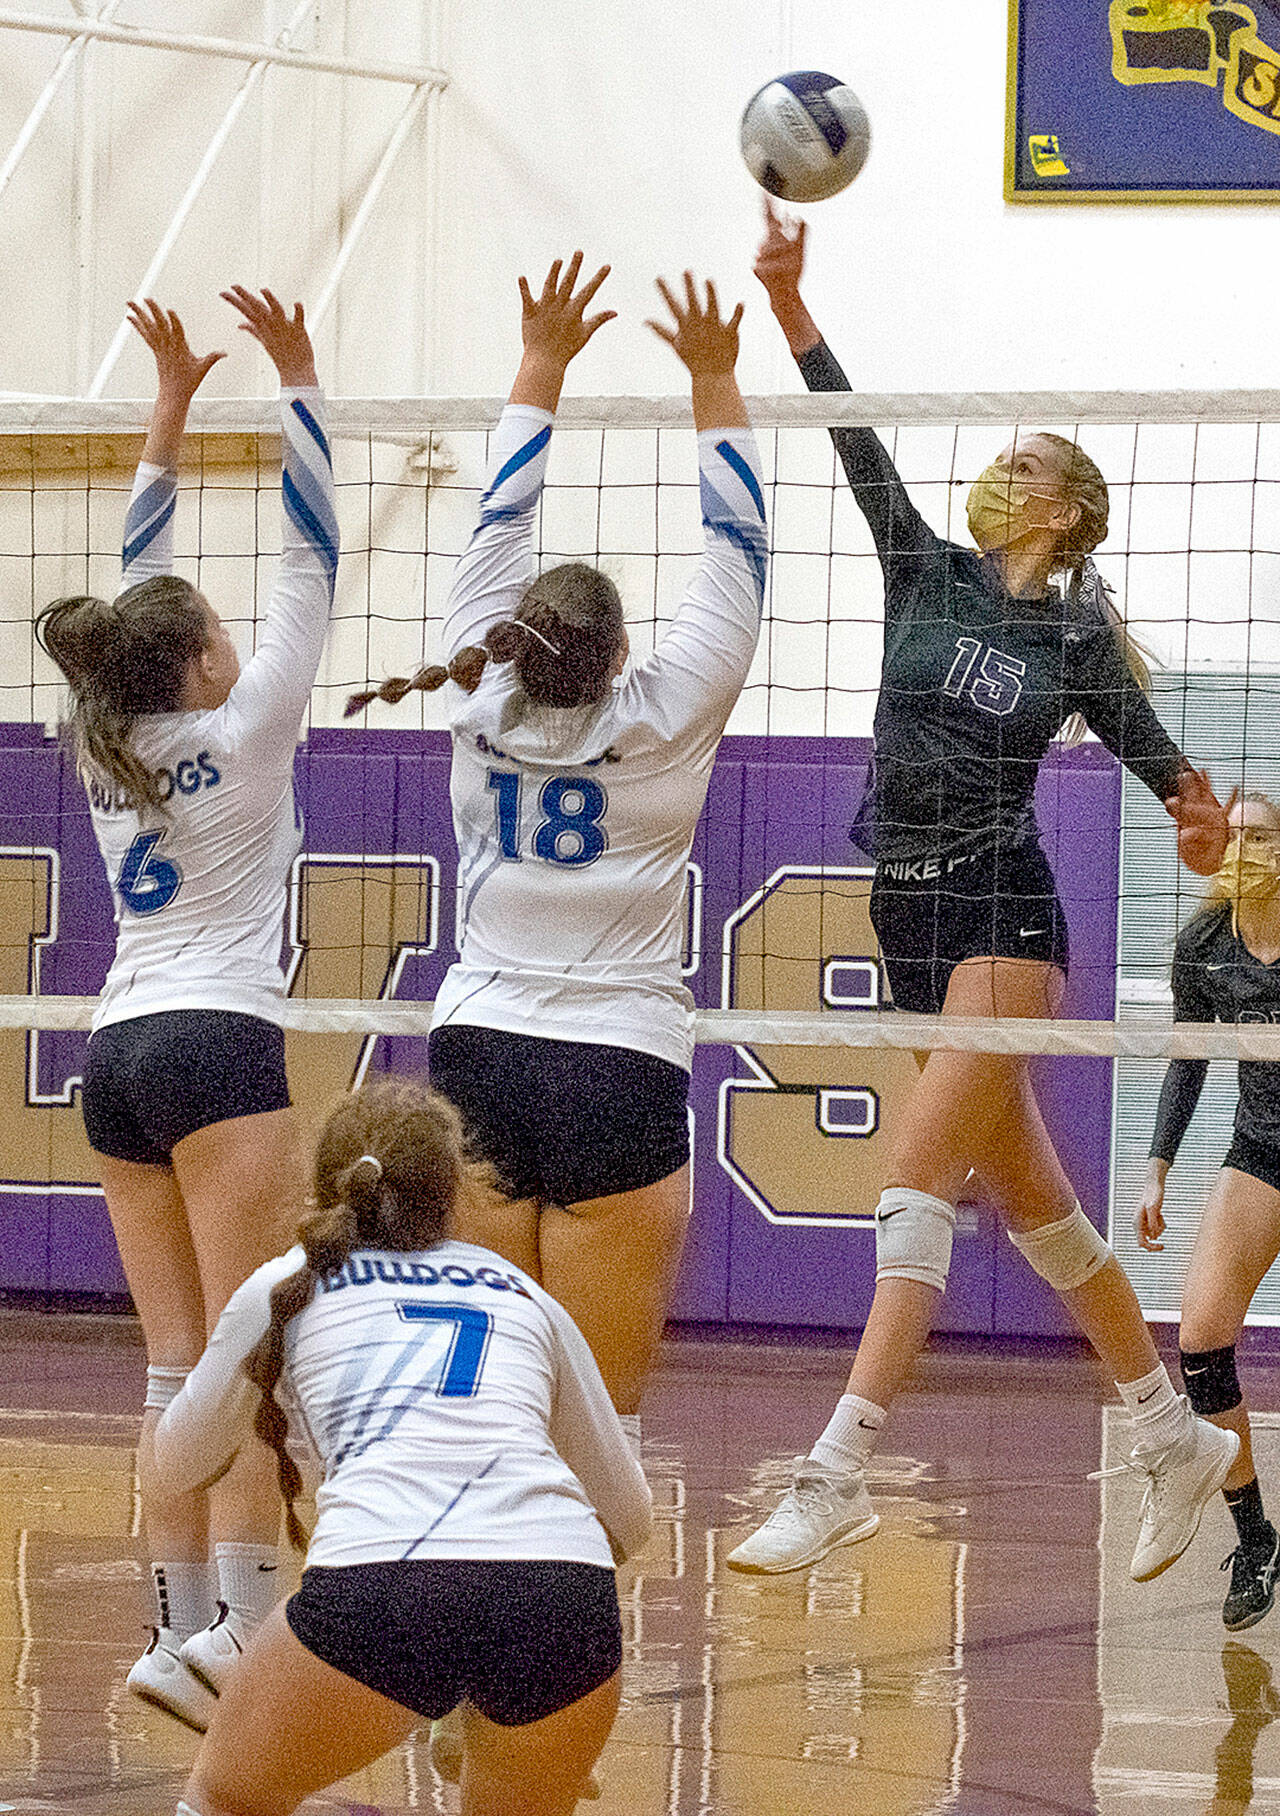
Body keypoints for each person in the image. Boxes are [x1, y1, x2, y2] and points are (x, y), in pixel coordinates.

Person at [727, 200, 1236, 1581]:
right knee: (1042, 1214)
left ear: (1061, 511)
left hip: (1004, 910)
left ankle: (836, 1472)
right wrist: (790, 305)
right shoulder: (924, 570)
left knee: (914, 1180)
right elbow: (853, 435)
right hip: (900, 908)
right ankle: (1170, 1431)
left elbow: (1175, 788)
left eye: (1021, 465)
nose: (993, 474)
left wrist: (1204, 834)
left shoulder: (1073, 646)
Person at [346, 254, 768, 1451]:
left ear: (508, 640)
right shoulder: (669, 710)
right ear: (622, 652)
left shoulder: (470, 697)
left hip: (479, 1050)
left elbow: (497, 515)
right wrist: (713, 378)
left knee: (488, 1409)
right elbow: (739, 545)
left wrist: (539, 362)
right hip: (616, 1066)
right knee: (599, 1424)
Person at [34, 290, 338, 1726]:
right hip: (217, 1046)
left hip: (116, 1054)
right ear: (207, 662)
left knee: (173, 1361)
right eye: (216, 628)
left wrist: (165, 416)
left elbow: (135, 590)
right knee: (246, 1354)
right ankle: (246, 1638)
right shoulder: (247, 724)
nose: (231, 629)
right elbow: (312, 554)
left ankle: (174, 1635)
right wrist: (301, 381)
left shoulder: (108, 739)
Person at [152, 1077, 651, 1816]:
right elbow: (630, 1518)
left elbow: (177, 1464)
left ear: (326, 1185)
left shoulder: (286, 1283)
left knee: (223, 1801)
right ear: (456, 1191)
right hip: (562, 1602)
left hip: (380, 1586)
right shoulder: (522, 1292)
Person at [1137, 794, 1280, 1629]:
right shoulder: (1204, 946)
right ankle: (1255, 1536)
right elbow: (1187, 1063)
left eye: (1262, 834)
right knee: (1200, 1342)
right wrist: (1157, 1172)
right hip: (1260, 1155)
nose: (1246, 847)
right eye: (1237, 835)